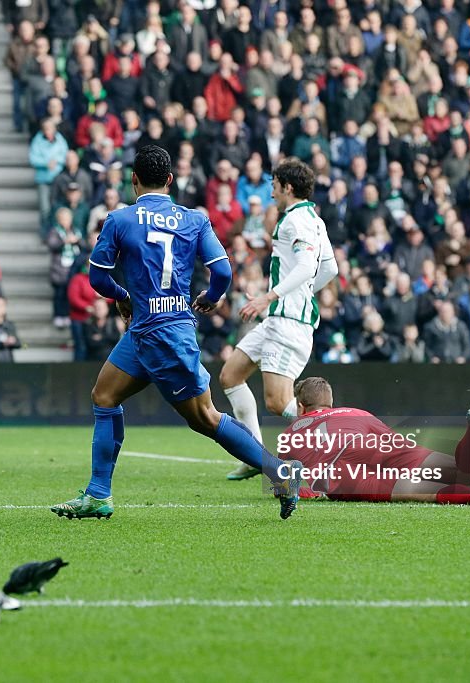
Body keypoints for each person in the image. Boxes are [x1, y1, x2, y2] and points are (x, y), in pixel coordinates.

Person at [49, 145, 304, 520]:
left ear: (133, 180)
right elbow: (223, 273)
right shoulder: (194, 220)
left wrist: (123, 296)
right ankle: (98, 494)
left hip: (161, 334)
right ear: (170, 181)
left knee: (206, 418)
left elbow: (98, 278)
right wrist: (211, 298)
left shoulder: (119, 220)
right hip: (156, 329)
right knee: (104, 396)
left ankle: (281, 473)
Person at [218, 157, 337, 480]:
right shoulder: (313, 218)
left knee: (277, 401)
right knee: (230, 375)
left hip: (286, 321)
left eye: (273, 186)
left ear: (287, 187)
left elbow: (303, 267)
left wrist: (271, 296)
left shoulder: (294, 222)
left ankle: (330, 446)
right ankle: (254, 455)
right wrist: (301, 294)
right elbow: (329, 269)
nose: (271, 192)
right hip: (278, 318)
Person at [281, 377, 470, 505]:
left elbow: (283, 483)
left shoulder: (292, 431)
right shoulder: (356, 412)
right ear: (331, 402)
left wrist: (309, 492)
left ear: (302, 407)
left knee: (414, 490)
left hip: (343, 469)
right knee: (464, 473)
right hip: (381, 446)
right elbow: (389, 440)